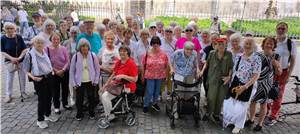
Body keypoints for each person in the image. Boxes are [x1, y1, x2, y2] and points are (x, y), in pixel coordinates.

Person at [223, 37, 261, 134]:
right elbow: (234, 69)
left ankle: (239, 126)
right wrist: (229, 77)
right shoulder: (239, 56)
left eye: (250, 44)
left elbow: (256, 75)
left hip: (248, 85)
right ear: (243, 45)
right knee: (232, 102)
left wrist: (244, 87)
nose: (247, 46)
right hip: (236, 82)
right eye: (246, 44)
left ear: (253, 46)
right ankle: (233, 120)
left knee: (242, 106)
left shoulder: (256, 58)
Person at [23, 36, 59, 129]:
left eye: (41, 43)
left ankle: (48, 115)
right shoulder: (29, 54)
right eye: (37, 42)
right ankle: (40, 120)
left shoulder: (44, 52)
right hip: (39, 79)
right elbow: (26, 70)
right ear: (34, 43)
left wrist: (52, 71)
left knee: (49, 97)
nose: (40, 44)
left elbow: (48, 64)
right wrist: (33, 77)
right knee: (42, 100)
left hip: (49, 77)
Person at [247, 37, 282, 131]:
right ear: (263, 44)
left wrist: (276, 66)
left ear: (274, 46)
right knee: (253, 101)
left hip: (267, 83)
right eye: (267, 43)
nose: (269, 45)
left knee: (263, 104)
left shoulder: (276, 56)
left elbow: (279, 73)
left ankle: (260, 124)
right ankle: (251, 119)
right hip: (256, 82)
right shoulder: (257, 54)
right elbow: (251, 67)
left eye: (271, 44)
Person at [265, 22, 297, 125]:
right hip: (270, 71)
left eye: (283, 28)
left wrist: (288, 75)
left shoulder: (290, 43)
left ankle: (274, 115)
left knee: (278, 94)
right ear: (276, 29)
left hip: (282, 72)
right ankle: (265, 110)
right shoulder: (273, 41)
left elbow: (293, 60)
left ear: (286, 30)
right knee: (267, 91)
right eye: (279, 28)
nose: (280, 30)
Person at [99, 45, 138, 127]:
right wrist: (105, 85)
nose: (122, 53)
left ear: (128, 53)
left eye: (124, 51)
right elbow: (113, 74)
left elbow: (135, 79)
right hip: (118, 85)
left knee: (105, 97)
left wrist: (123, 76)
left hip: (128, 87)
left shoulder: (131, 63)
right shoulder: (119, 62)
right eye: (120, 51)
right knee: (102, 94)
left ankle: (109, 115)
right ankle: (109, 113)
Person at [200, 38, 233, 122]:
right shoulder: (212, 53)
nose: (221, 46)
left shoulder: (229, 54)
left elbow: (231, 67)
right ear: (216, 45)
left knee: (220, 97)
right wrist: (202, 71)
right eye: (219, 44)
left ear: (226, 45)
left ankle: (216, 114)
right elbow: (207, 63)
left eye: (223, 44)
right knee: (211, 97)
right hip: (213, 78)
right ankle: (208, 113)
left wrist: (229, 77)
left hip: (223, 80)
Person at [69, 38, 100, 120]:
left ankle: (91, 112)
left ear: (88, 47)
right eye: (82, 46)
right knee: (79, 99)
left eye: (86, 46)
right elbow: (71, 71)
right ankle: (79, 113)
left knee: (91, 98)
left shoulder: (93, 55)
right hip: (79, 82)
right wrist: (74, 83)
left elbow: (97, 69)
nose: (84, 48)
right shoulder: (75, 57)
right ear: (80, 47)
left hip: (91, 81)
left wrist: (96, 80)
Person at [1, 22, 28, 103]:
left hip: (20, 61)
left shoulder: (18, 37)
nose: (9, 30)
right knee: (9, 78)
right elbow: (2, 51)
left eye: (11, 28)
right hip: (10, 61)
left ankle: (23, 92)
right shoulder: (3, 38)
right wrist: (12, 58)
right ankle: (8, 94)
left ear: (15, 29)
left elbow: (25, 49)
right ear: (4, 29)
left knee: (22, 77)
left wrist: (19, 58)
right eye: (7, 28)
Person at [142, 36, 169, 113]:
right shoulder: (147, 53)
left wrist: (166, 76)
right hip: (149, 75)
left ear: (159, 43)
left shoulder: (163, 54)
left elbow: (166, 65)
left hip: (160, 76)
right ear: (151, 43)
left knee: (157, 91)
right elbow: (143, 64)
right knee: (150, 91)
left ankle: (154, 103)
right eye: (154, 42)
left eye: (157, 42)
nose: (155, 44)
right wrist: (142, 75)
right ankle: (146, 104)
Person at [46, 32, 71, 114]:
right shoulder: (47, 49)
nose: (56, 41)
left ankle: (65, 103)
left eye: (58, 39)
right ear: (51, 39)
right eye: (54, 39)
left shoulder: (63, 48)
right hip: (54, 73)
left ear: (60, 40)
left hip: (64, 72)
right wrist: (56, 71)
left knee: (65, 89)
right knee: (55, 90)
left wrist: (63, 70)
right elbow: (47, 62)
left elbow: (67, 61)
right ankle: (56, 106)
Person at [160, 27, 176, 94]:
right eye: (167, 31)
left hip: (172, 63)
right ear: (164, 32)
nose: (168, 33)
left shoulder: (175, 41)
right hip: (162, 62)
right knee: (162, 78)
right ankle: (161, 92)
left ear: (172, 33)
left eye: (170, 31)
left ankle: (169, 92)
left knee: (170, 78)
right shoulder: (160, 40)